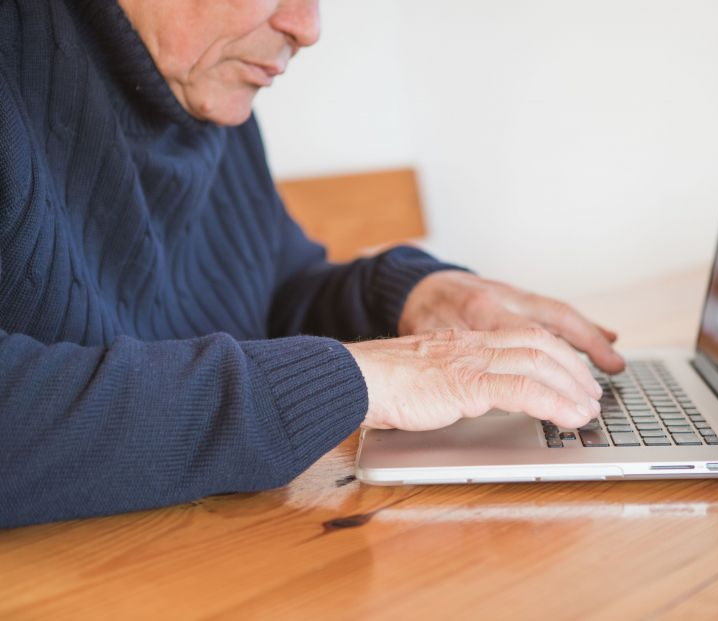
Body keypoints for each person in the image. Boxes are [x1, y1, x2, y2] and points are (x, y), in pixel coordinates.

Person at [0, 0, 624, 529]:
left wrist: (409, 294)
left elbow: (270, 296)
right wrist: (349, 380)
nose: (307, 25)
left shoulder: (206, 95)